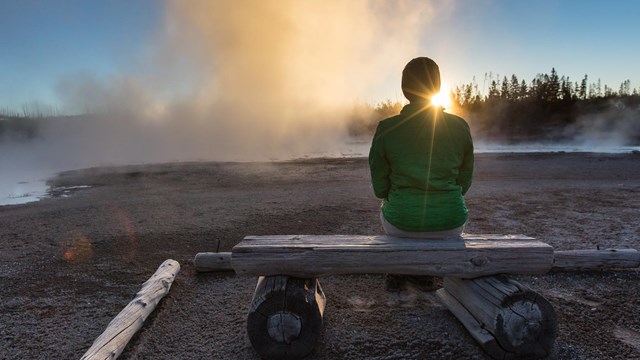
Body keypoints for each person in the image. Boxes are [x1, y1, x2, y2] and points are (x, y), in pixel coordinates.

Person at [368, 57, 474, 291]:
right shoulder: (460, 126)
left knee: (389, 211)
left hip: (401, 221)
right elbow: (464, 182)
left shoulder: (387, 129)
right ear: (437, 88)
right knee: (441, 219)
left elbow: (379, 189)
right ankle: (422, 272)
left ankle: (403, 268)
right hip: (450, 222)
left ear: (404, 89)